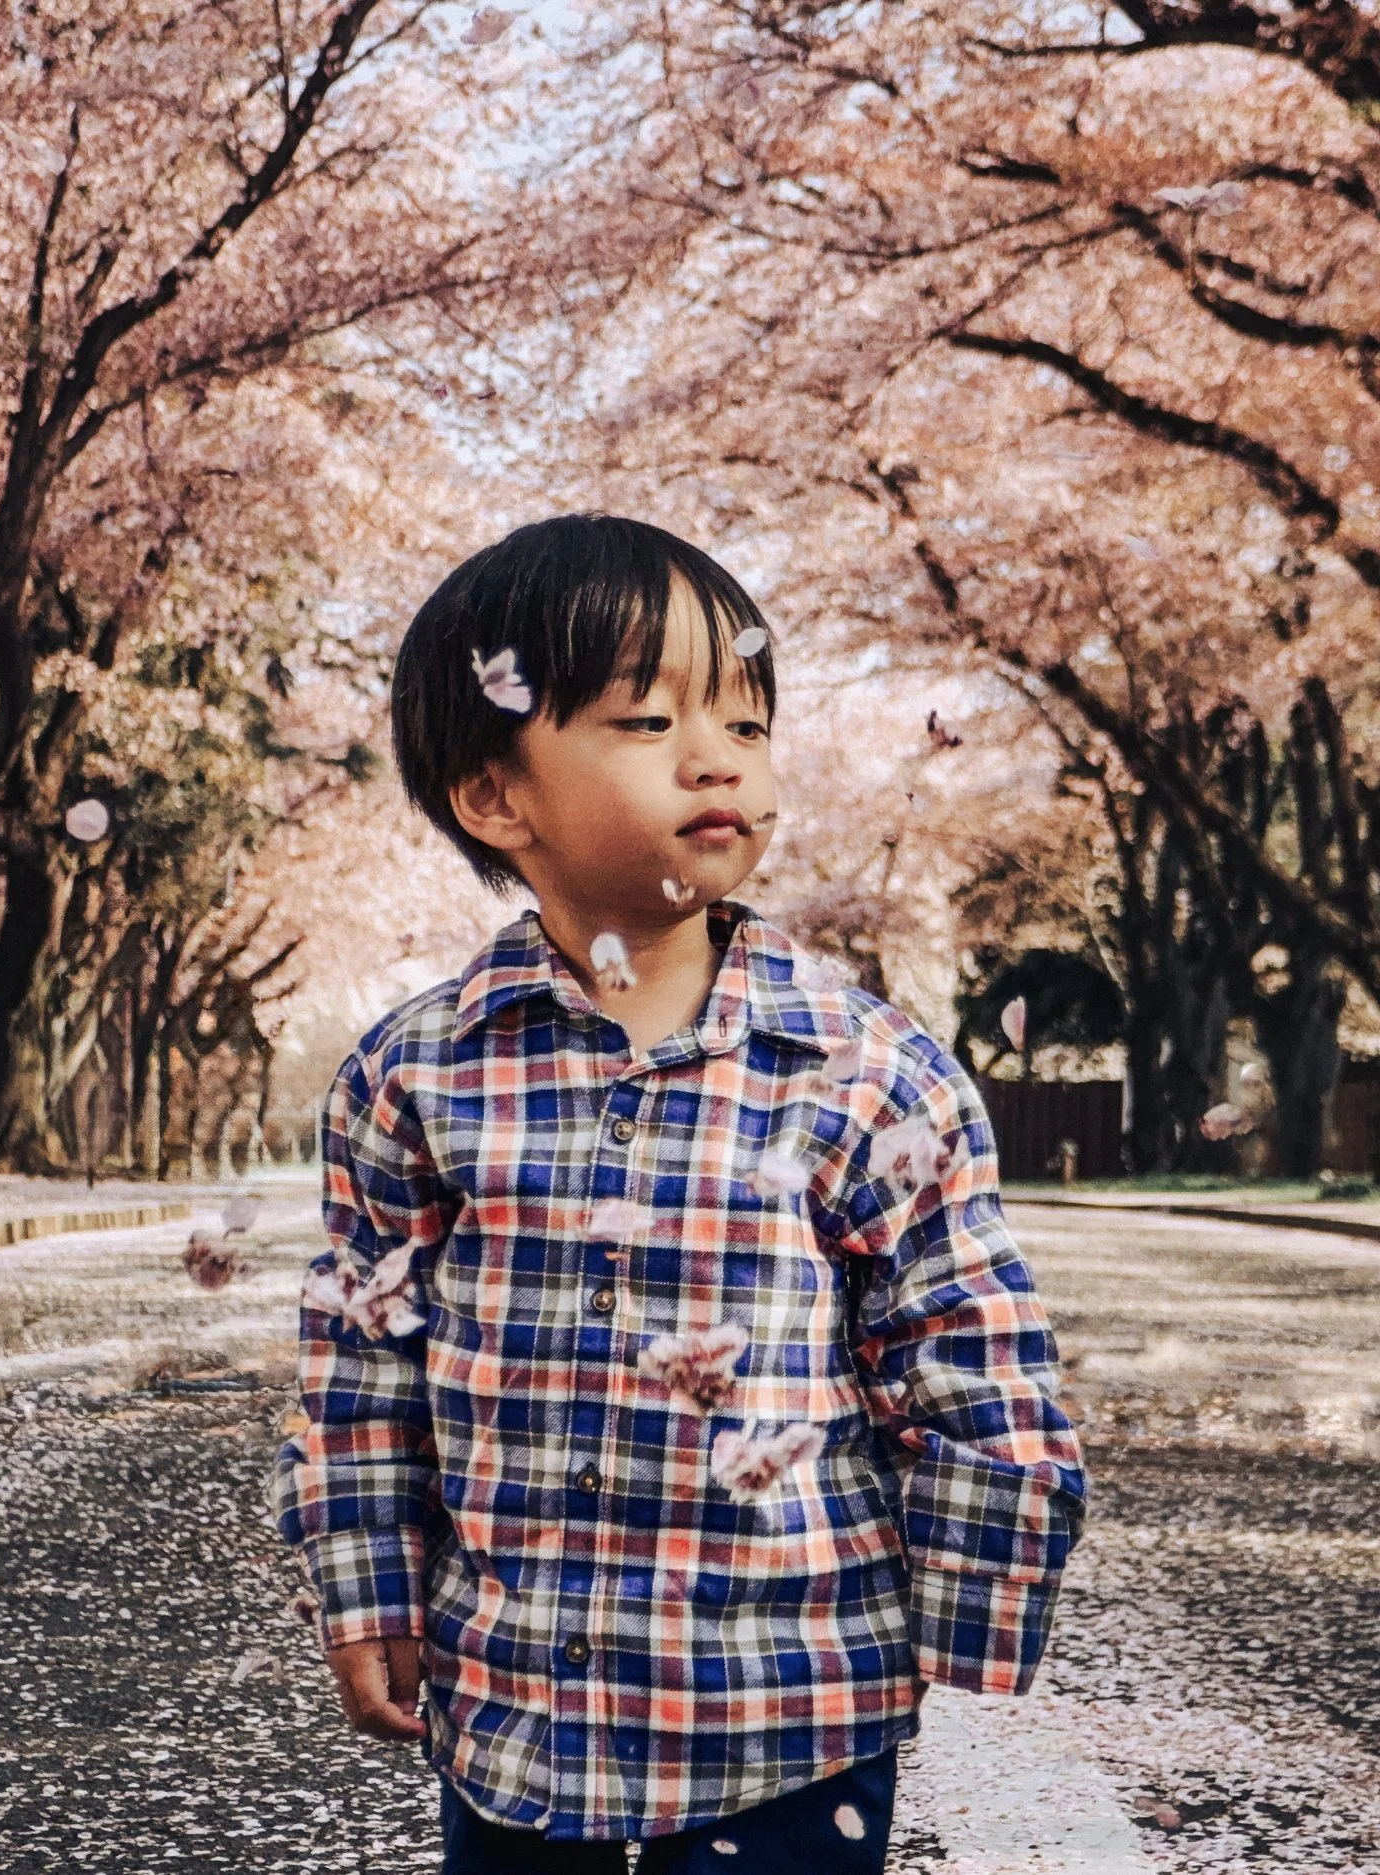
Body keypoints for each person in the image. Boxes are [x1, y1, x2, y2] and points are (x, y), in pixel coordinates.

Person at [271, 514, 1086, 1872]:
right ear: (495, 797)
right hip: (518, 1705)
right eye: (647, 719)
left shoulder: (869, 1072)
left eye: (750, 722)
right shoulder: (414, 1073)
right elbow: (363, 1357)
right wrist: (365, 1584)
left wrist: (970, 1613)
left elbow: (964, 1346)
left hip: (792, 1704)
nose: (719, 756)